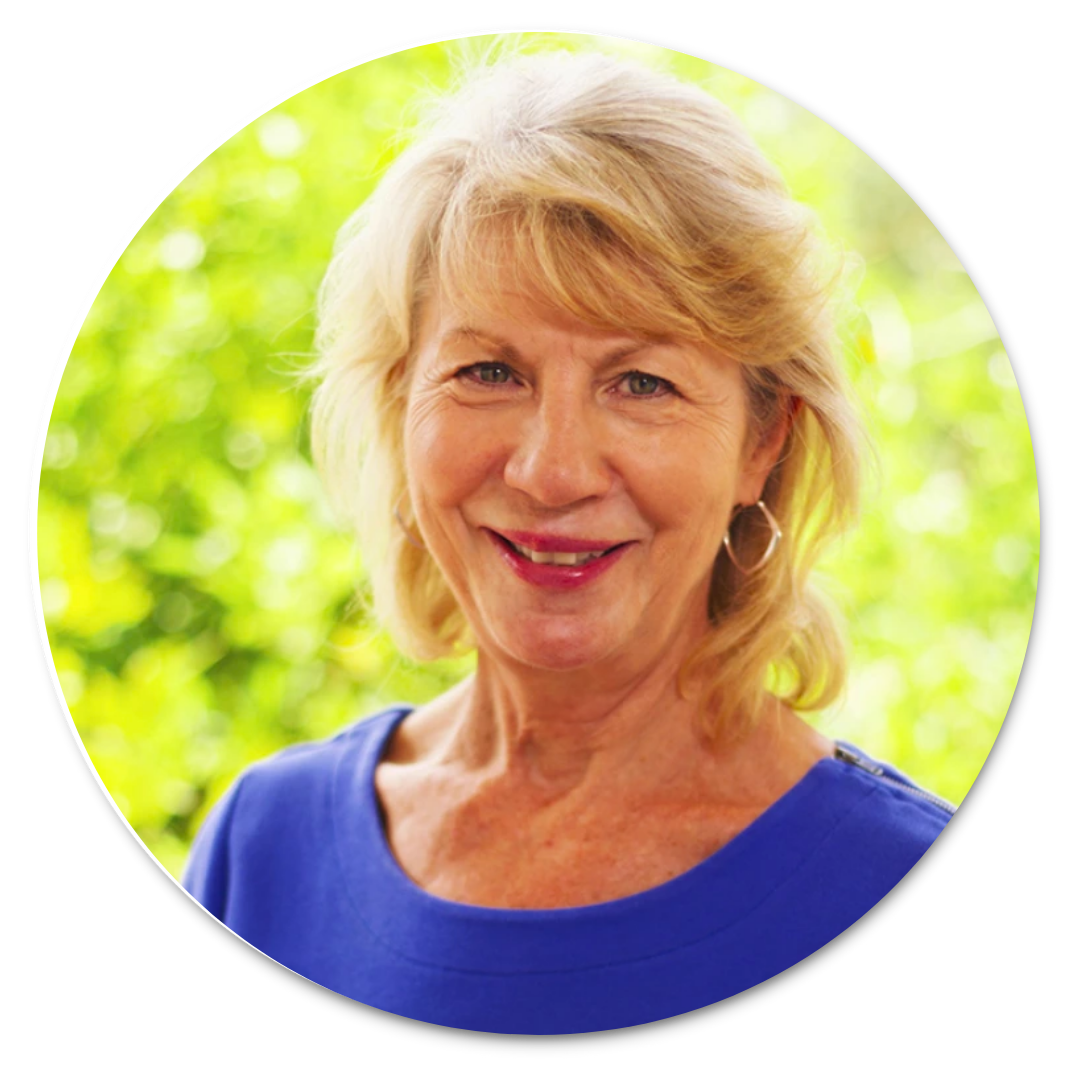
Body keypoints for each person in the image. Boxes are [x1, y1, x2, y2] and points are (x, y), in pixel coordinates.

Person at [183, 50, 953, 1032]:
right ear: (400, 404)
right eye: (489, 373)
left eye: (642, 384)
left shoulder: (884, 874)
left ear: (764, 442)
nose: (552, 472)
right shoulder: (265, 849)